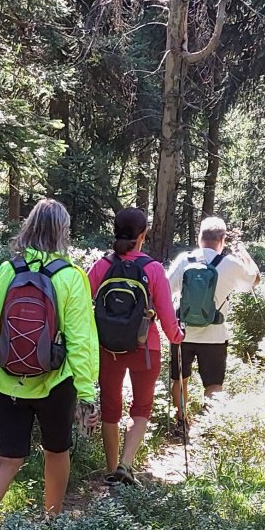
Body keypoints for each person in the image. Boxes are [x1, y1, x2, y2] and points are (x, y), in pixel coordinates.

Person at [0, 197, 98, 520]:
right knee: (56, 451)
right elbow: (81, 341)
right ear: (63, 232)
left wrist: (1, 355)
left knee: (8, 459)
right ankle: (51, 522)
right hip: (55, 382)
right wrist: (86, 393)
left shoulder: (7, 270)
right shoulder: (71, 277)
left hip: (7, 379)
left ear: (28, 227)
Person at [86, 206, 181, 485]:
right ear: (143, 235)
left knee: (110, 408)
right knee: (141, 408)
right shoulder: (153, 269)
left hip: (107, 348)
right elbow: (167, 316)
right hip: (145, 349)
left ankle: (111, 469)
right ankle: (126, 465)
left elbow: (79, 306)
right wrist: (177, 336)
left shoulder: (101, 266)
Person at [163, 214, 261, 437]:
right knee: (214, 384)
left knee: (180, 379)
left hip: (182, 333)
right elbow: (253, 281)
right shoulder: (230, 264)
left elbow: (166, 290)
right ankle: (211, 427)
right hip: (215, 336)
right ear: (222, 240)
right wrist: (245, 255)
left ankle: (181, 422)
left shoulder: (184, 260)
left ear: (199, 238)